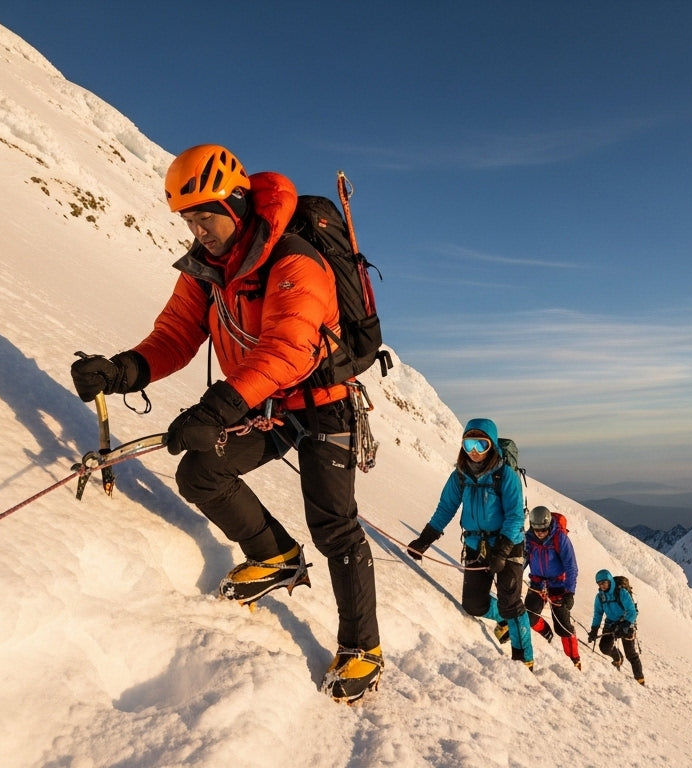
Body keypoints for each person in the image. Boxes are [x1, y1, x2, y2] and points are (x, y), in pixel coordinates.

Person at [69, 144, 381, 703]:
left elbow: (290, 349)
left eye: (204, 215)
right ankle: (276, 558)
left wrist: (217, 408)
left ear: (236, 204)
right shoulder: (207, 271)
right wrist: (121, 372)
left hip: (324, 402)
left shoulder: (292, 259)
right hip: (267, 403)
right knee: (201, 473)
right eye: (187, 219)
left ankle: (364, 647)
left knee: (333, 524)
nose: (197, 229)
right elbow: (175, 336)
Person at [406, 418, 533, 669]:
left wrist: (502, 551)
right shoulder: (460, 476)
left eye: (481, 444)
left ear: (492, 446)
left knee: (511, 602)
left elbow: (515, 515)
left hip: (508, 546)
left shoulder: (505, 475)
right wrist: (424, 540)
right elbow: (446, 508)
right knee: (474, 605)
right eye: (469, 444)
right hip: (476, 545)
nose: (474, 451)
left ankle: (523, 658)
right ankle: (506, 619)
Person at [523, 505, 581, 668]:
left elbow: (571, 567)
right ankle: (545, 631)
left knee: (562, 627)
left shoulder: (560, 538)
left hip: (558, 585)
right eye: (537, 530)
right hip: (537, 582)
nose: (540, 533)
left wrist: (570, 592)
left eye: (543, 530)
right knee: (529, 617)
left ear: (549, 526)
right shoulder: (529, 539)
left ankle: (574, 659)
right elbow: (523, 559)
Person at [588, 569, 645, 685]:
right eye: (599, 584)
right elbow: (598, 613)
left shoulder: (621, 593)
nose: (601, 586)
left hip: (627, 623)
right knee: (604, 647)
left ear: (609, 580)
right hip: (611, 623)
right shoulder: (600, 597)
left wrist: (625, 624)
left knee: (631, 654)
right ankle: (618, 658)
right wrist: (594, 629)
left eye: (603, 582)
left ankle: (640, 680)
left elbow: (632, 611)